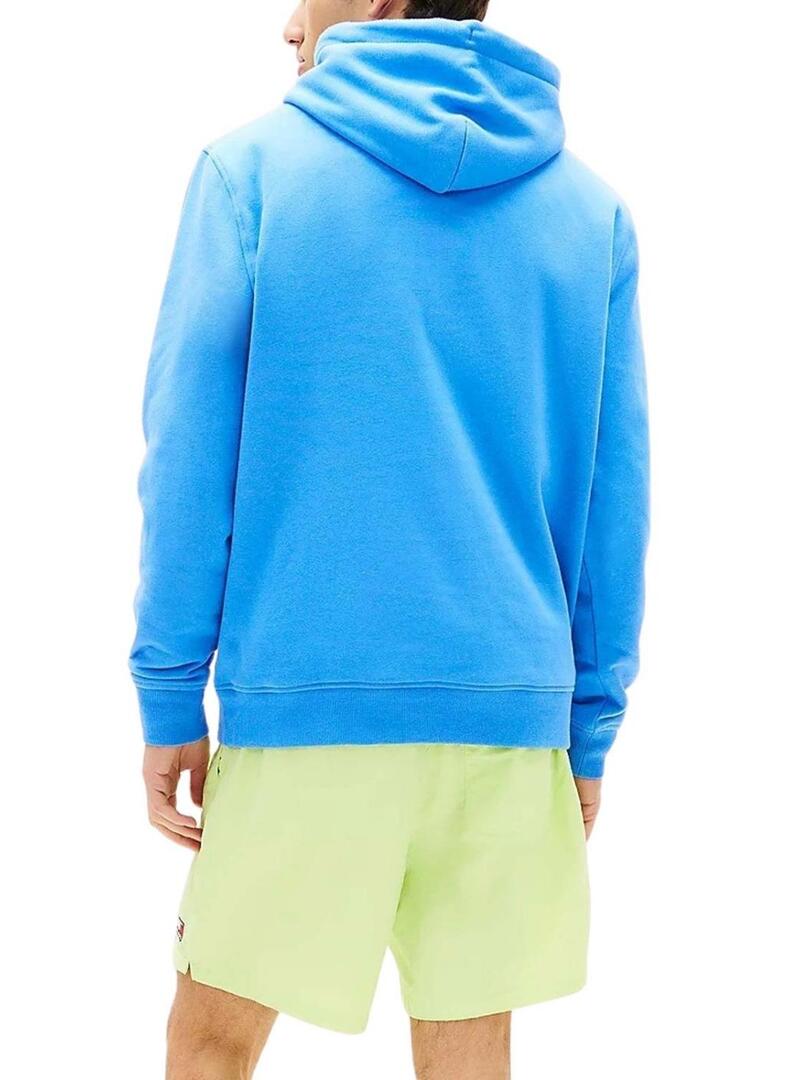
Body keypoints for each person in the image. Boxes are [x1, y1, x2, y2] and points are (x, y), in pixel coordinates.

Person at [130, 0, 650, 1076]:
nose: (288, 24)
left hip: (306, 708)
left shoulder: (252, 176)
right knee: (469, 1049)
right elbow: (613, 499)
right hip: (509, 720)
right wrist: (587, 722)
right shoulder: (588, 213)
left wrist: (170, 693)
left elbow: (188, 464)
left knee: (212, 1041)